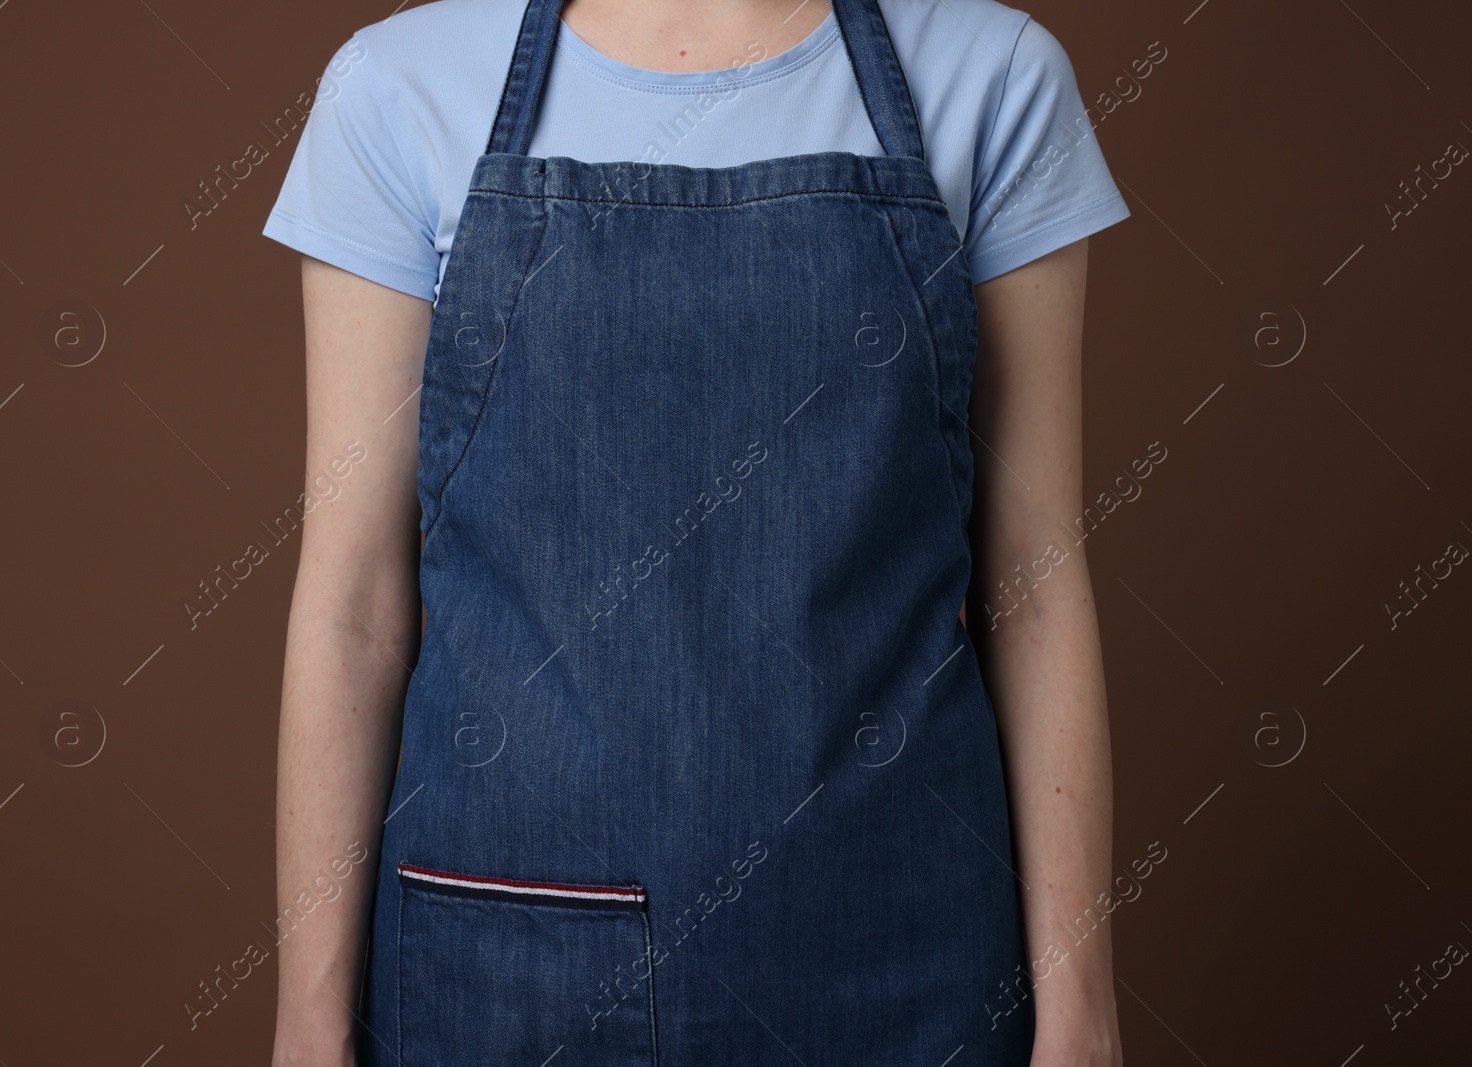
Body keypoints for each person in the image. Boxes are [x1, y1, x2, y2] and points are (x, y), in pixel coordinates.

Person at [262, 0, 1128, 1064]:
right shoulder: (399, 86)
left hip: (903, 951)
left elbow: (1032, 585)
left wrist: (1081, 1016)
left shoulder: (991, 74)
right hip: (506, 959)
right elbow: (352, 605)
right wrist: (305, 1022)